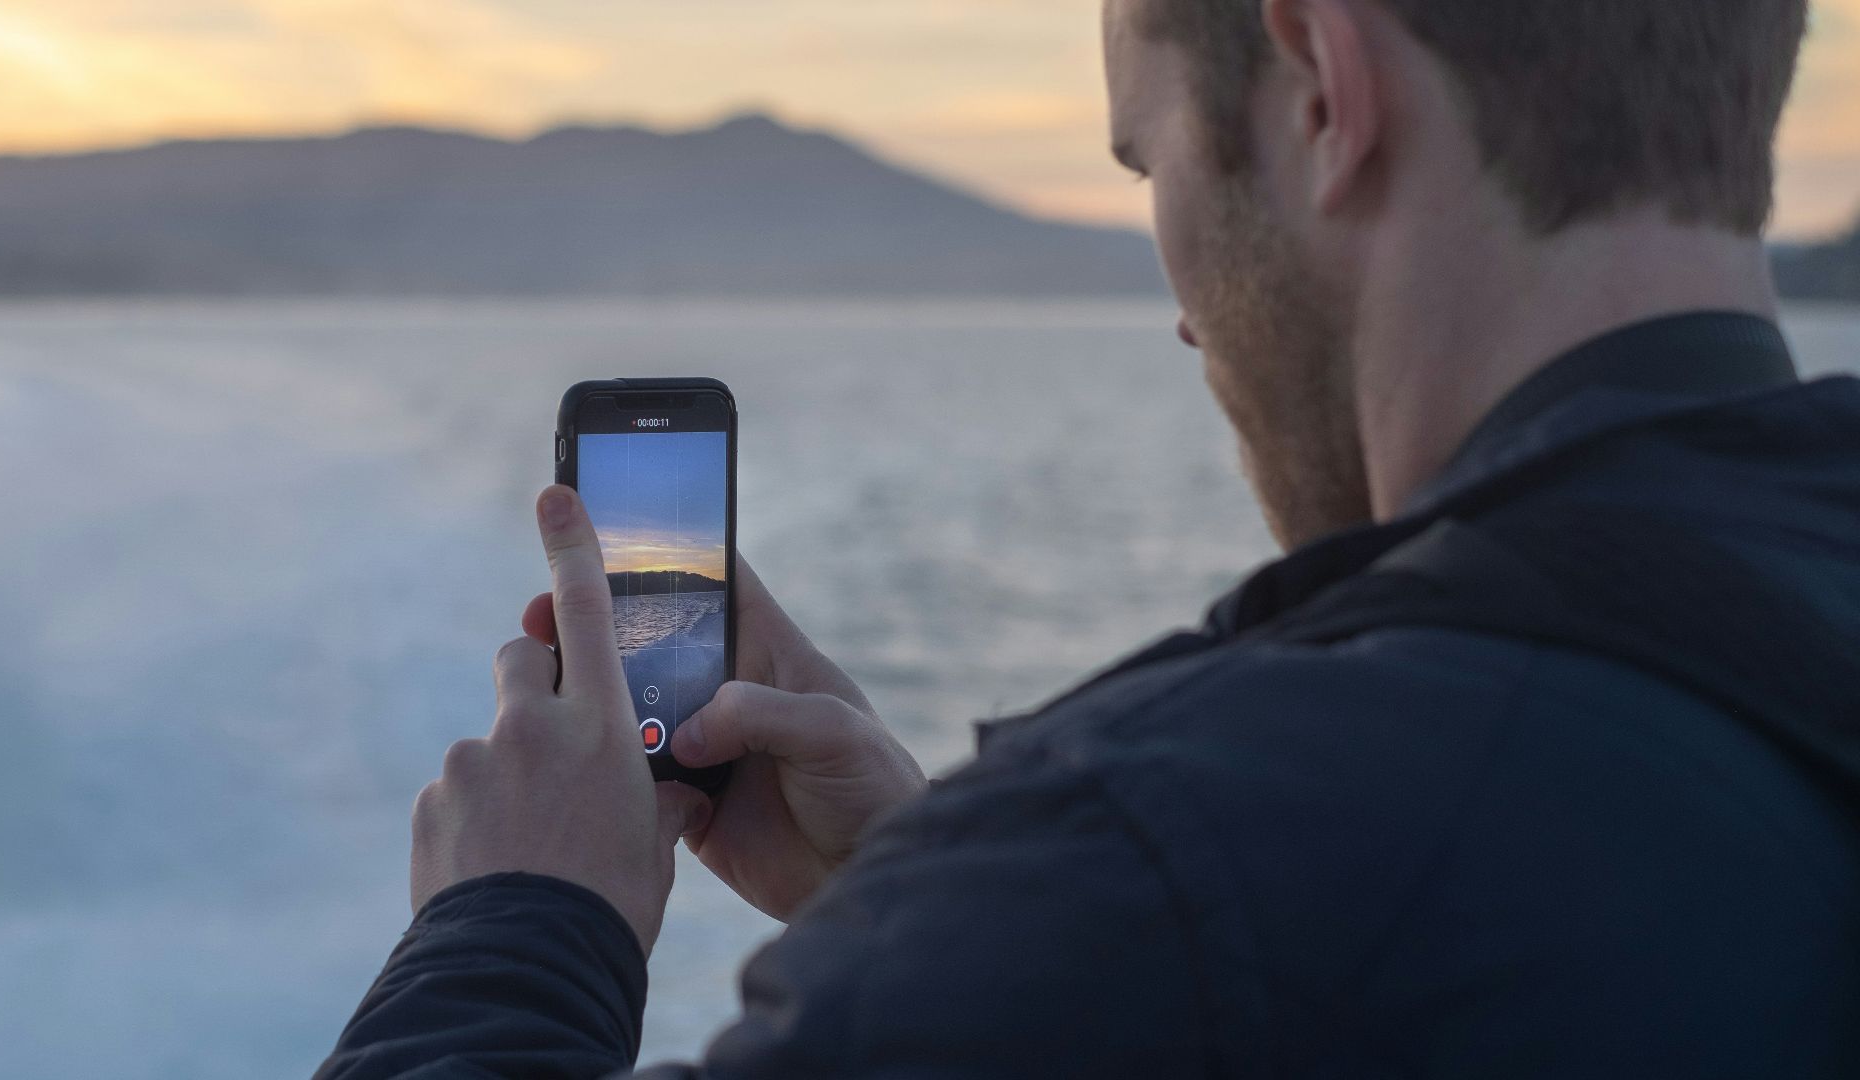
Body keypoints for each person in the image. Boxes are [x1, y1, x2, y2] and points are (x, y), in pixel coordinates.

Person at [318, 0, 1860, 1075]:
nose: (1183, 312)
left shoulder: (1174, 866)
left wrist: (516, 925)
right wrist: (918, 903)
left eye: (1154, 164)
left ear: (1325, 88)